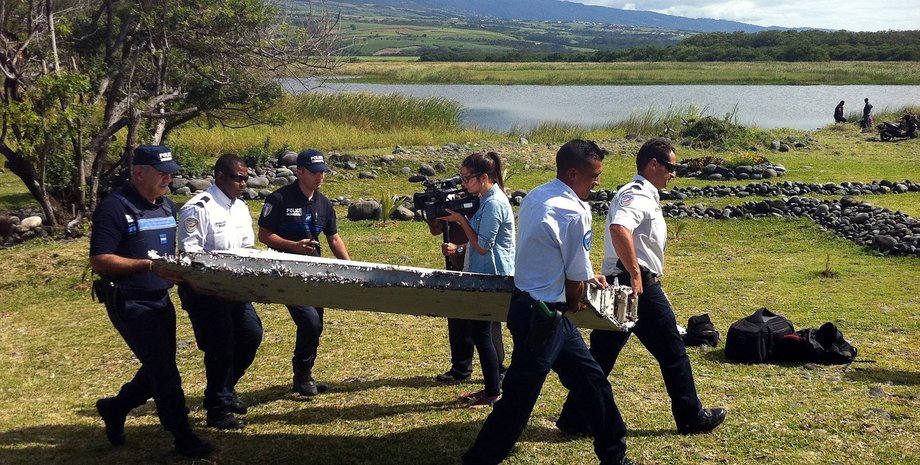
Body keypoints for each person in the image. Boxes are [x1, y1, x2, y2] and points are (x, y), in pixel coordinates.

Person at [462, 140, 640, 465]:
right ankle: (478, 460)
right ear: (574, 173)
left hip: (528, 307)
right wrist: (578, 296)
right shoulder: (574, 211)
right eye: (594, 175)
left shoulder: (537, 195)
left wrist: (583, 279)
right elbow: (574, 286)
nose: (598, 182)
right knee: (517, 400)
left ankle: (614, 455)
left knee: (593, 382)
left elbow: (554, 257)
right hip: (546, 317)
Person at [555, 137, 726, 437]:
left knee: (601, 357)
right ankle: (691, 416)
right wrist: (635, 274)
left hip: (630, 283)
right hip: (636, 286)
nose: (673, 173)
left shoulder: (647, 195)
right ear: (653, 164)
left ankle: (574, 417)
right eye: (670, 166)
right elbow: (619, 228)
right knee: (673, 351)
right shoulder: (636, 195)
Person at [89, 145, 214, 457]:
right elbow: (100, 259)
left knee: (158, 366)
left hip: (160, 299)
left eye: (171, 173)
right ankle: (182, 436)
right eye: (162, 173)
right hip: (130, 301)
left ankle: (115, 407)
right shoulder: (114, 208)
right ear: (139, 172)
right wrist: (146, 266)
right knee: (165, 370)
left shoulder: (166, 206)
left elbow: (165, 254)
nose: (168, 179)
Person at [178, 153, 263, 430]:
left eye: (246, 179)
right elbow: (191, 255)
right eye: (239, 178)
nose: (243, 184)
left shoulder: (239, 207)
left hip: (236, 290)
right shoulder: (199, 208)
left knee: (251, 335)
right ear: (220, 176)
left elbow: (247, 248)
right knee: (220, 348)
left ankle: (225, 389)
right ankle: (217, 409)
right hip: (207, 291)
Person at [258, 149, 351, 396]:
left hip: (315, 272)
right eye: (314, 172)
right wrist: (293, 247)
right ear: (299, 172)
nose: (320, 177)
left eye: (323, 172)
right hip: (286, 273)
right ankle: (303, 375)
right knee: (309, 322)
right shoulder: (279, 199)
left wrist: (351, 266)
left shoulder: (323, 203)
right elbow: (264, 235)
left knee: (316, 324)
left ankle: (303, 374)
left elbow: (333, 237)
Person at [437, 152, 515, 408]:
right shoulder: (486, 199)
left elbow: (483, 246)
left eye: (467, 178)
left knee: (482, 334)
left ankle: (493, 392)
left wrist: (461, 220)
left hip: (492, 275)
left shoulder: (494, 203)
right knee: (481, 333)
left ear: (484, 177)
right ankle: (492, 387)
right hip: (483, 273)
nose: (464, 184)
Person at [428, 217, 507, 386]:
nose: (464, 188)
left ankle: (498, 369)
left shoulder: (484, 202)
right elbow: (436, 230)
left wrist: (459, 249)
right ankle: (460, 369)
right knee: (457, 317)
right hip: (457, 267)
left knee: (487, 321)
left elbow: (487, 241)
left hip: (480, 267)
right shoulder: (453, 199)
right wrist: (434, 215)